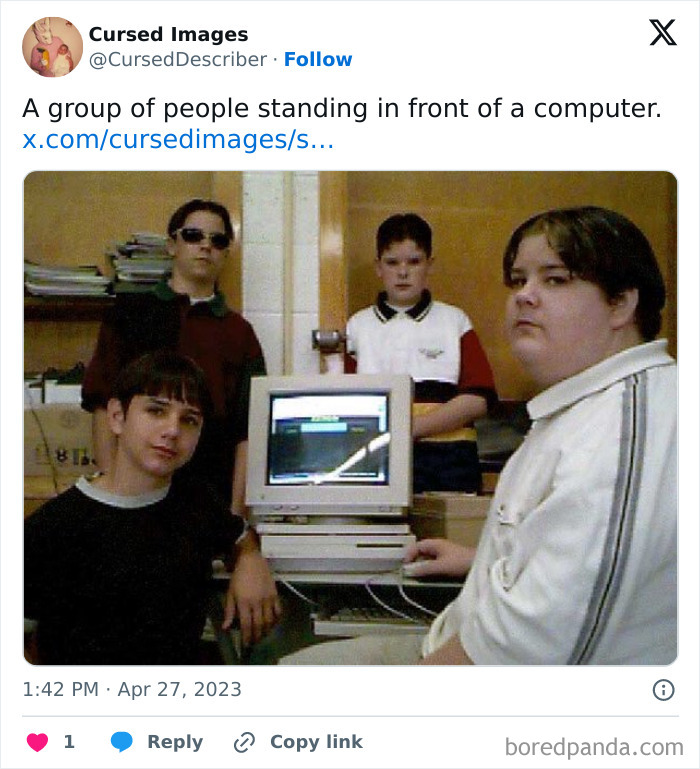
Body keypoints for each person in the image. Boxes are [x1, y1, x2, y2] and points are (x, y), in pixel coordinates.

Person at [282, 205, 677, 665]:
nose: (524, 296)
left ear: (622, 303)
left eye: (555, 278)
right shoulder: (574, 409)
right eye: (518, 279)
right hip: (455, 632)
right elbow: (579, 570)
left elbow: (528, 648)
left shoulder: (626, 431)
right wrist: (480, 559)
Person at [81, 199, 279, 634]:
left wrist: (233, 524)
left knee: (188, 627)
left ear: (227, 252)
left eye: (217, 240)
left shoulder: (238, 333)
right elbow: (101, 404)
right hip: (133, 494)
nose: (205, 247)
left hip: (204, 503)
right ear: (172, 245)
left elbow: (248, 429)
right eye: (193, 236)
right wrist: (116, 497)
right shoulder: (129, 315)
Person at [25, 351, 277, 664]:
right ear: (117, 417)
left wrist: (250, 556)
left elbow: (236, 533)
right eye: (156, 411)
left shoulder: (197, 504)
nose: (172, 430)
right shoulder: (51, 529)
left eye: (189, 420)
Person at [344, 213, 497, 493]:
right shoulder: (357, 327)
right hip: (378, 459)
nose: (403, 272)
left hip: (450, 462)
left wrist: (411, 428)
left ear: (429, 265)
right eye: (392, 263)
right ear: (378, 267)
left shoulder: (455, 321)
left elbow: (479, 399)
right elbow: (347, 402)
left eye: (414, 262)